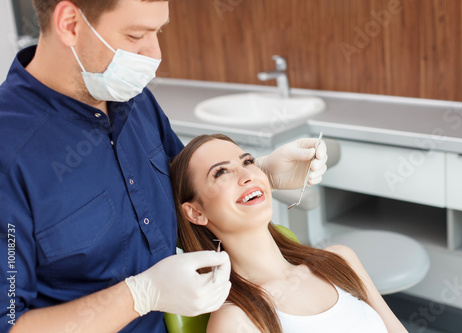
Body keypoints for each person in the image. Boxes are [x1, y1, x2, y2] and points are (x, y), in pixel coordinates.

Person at [0, 1, 328, 332]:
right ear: (70, 23)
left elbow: (192, 193)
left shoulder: (132, 99)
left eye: (159, 31)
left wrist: (259, 172)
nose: (154, 54)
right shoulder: (9, 155)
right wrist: (139, 296)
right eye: (135, 35)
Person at [169, 134, 408, 333]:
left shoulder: (341, 261)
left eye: (248, 161)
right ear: (195, 212)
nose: (248, 175)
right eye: (221, 172)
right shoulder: (236, 321)